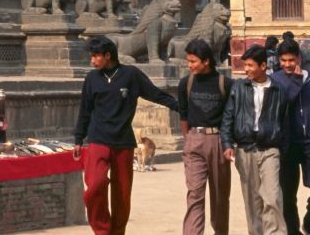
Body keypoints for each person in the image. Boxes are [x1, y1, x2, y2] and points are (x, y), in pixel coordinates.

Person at [73, 35, 179, 235]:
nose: (92, 60)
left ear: (107, 55)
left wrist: (180, 107)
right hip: (97, 140)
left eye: (95, 56)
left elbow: (154, 93)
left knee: (122, 195)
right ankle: (102, 230)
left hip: (123, 142)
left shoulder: (130, 75)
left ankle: (117, 231)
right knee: (95, 186)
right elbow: (84, 111)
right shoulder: (91, 79)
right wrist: (78, 139)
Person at [221, 43, 291, 235]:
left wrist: (282, 150)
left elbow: (285, 123)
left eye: (251, 65)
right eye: (245, 65)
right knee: (252, 200)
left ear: (263, 66)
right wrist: (227, 143)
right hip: (245, 149)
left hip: (270, 149)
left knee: (272, 197)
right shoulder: (239, 88)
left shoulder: (279, 90)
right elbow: (228, 117)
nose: (246, 70)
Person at [179, 38, 232, 235]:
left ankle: (220, 231)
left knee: (219, 195)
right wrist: (188, 139)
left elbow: (230, 116)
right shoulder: (187, 83)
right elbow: (183, 114)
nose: (189, 65)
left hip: (218, 141)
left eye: (193, 61)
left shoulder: (225, 84)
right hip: (194, 141)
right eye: (188, 61)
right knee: (195, 194)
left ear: (206, 61)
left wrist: (228, 143)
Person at [273, 40, 310, 235]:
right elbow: (283, 103)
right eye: (283, 60)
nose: (287, 64)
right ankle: (293, 232)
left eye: (291, 60)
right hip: (287, 143)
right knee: (288, 195)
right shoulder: (276, 80)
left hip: (309, 142)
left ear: (299, 59)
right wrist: (295, 81)